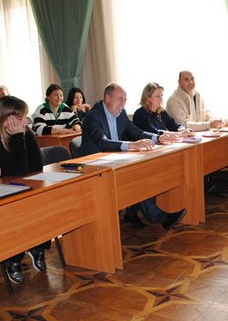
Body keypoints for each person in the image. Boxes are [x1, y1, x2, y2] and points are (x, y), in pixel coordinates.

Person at [80, 82, 187, 230]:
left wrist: (157, 137)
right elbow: (102, 142)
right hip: (94, 167)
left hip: (114, 160)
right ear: (107, 98)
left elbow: (136, 132)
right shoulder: (93, 116)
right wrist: (131, 145)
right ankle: (159, 217)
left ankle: (133, 213)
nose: (123, 104)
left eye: (125, 100)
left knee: (141, 172)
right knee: (135, 177)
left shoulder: (121, 113)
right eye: (120, 99)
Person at [0, 95, 47, 283]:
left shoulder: (24, 133)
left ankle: (37, 245)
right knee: (16, 211)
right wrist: (18, 137)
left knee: (43, 203)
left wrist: (23, 135)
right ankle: (12, 258)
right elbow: (19, 172)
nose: (25, 122)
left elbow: (36, 166)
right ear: (6, 120)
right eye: (20, 119)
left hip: (14, 189)